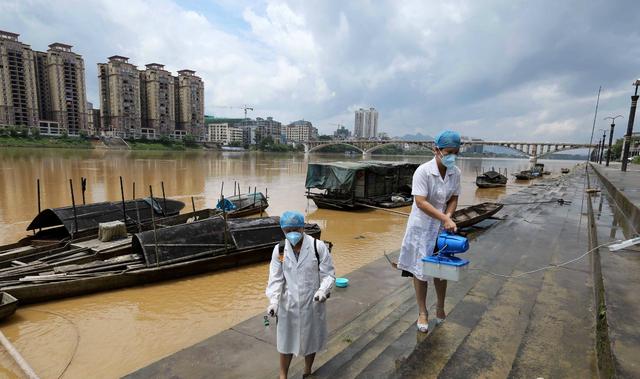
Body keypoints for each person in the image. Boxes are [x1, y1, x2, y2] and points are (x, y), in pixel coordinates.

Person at [397, 130, 461, 333]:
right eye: (449, 152)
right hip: (421, 228)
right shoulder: (423, 172)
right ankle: (422, 311)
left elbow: (454, 197)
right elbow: (421, 202)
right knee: (421, 271)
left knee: (441, 270)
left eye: (456, 152)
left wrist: (448, 217)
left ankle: (440, 306)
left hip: (441, 228)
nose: (452, 156)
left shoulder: (455, 173)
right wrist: (445, 218)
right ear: (437, 150)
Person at [266, 211, 335, 379]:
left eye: (295, 229)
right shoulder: (279, 249)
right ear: (283, 230)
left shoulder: (317, 247)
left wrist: (322, 291)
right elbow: (275, 279)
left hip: (312, 302)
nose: (292, 234)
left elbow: (329, 275)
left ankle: (307, 370)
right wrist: (274, 302)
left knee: (311, 340)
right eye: (287, 231)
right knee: (285, 342)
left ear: (303, 227)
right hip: (288, 305)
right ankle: (283, 376)